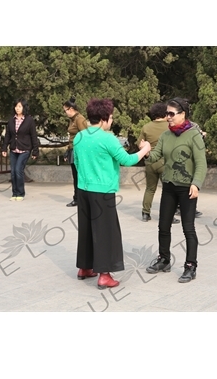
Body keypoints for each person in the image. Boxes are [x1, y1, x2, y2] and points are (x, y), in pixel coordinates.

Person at [73, 98, 151, 290]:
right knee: (105, 232)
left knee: (86, 229)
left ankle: (85, 267)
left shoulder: (79, 137)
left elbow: (75, 161)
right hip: (102, 191)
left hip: (83, 189)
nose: (112, 120)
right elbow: (127, 160)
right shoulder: (107, 138)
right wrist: (146, 149)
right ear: (103, 118)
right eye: (111, 117)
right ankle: (105, 275)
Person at [143, 97, 207, 283]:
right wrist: (146, 151)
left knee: (188, 228)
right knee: (163, 226)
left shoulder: (194, 135)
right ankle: (164, 259)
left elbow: (201, 163)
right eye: (166, 114)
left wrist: (196, 184)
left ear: (183, 114)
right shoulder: (166, 135)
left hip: (187, 188)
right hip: (169, 186)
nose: (168, 117)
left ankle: (190, 265)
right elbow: (155, 156)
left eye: (171, 114)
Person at [137, 102, 180, 224]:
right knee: (168, 191)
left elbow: (139, 143)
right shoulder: (169, 126)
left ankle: (145, 213)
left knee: (150, 188)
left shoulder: (146, 127)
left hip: (150, 161)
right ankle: (169, 216)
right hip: (166, 162)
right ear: (165, 113)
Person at [1, 98, 39, 201]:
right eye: (16, 106)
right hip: (13, 149)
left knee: (18, 170)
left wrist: (35, 151)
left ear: (24, 108)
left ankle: (21, 193)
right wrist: (4, 148)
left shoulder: (29, 120)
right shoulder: (11, 120)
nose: (17, 108)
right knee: (13, 172)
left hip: (25, 149)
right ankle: (15, 193)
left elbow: (33, 136)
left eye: (19, 106)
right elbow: (8, 135)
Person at [62, 96, 88, 207]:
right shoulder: (73, 120)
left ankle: (79, 199)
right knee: (75, 175)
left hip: (78, 151)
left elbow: (85, 135)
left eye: (66, 110)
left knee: (79, 176)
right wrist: (68, 151)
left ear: (71, 109)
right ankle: (77, 198)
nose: (65, 113)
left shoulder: (79, 119)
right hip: (72, 149)